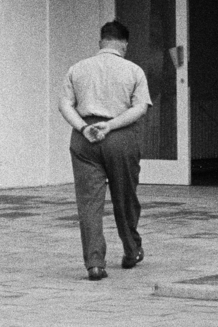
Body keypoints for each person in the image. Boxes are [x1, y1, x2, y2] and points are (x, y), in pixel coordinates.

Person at [58, 20, 150, 280]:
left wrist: (82, 127)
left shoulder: (77, 69)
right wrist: (110, 126)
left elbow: (64, 104)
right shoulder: (134, 70)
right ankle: (132, 250)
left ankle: (95, 264)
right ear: (124, 44)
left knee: (88, 203)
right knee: (125, 197)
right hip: (120, 135)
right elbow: (139, 108)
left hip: (84, 137)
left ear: (101, 42)